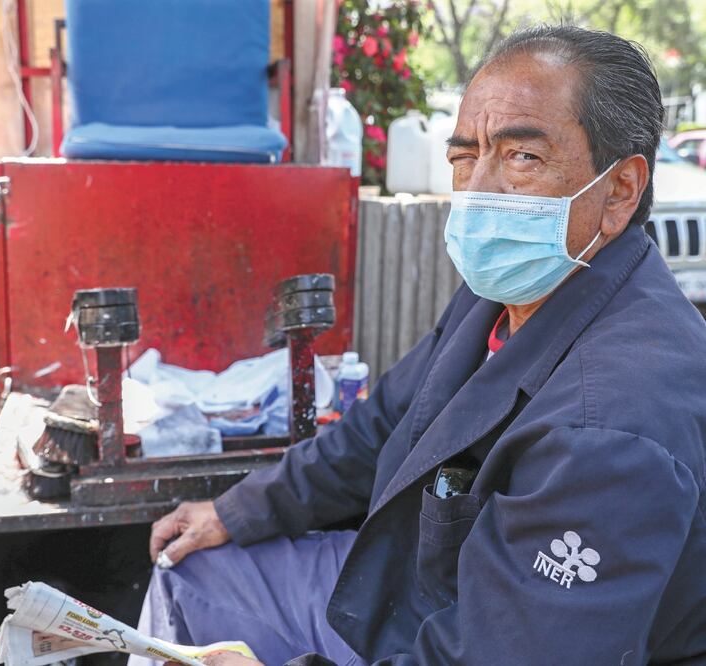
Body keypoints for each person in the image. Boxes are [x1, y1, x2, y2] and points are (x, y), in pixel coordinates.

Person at [130, 25, 706, 666]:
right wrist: (238, 509)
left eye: (522, 158)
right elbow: (385, 421)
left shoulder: (615, 426)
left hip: (472, 636)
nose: (480, 189)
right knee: (189, 570)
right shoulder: (512, 291)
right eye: (466, 158)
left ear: (620, 190)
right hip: (417, 598)